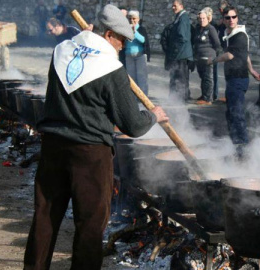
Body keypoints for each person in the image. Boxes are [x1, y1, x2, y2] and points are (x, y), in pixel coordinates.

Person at [23, 4, 168, 269]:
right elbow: (132, 125)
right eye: (122, 39)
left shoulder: (61, 50)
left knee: (45, 217)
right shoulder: (112, 69)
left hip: (53, 146)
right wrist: (154, 116)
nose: (123, 46)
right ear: (109, 34)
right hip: (90, 154)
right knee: (90, 224)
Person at [211, 6, 260, 154]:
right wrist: (251, 69)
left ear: (237, 18)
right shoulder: (229, 34)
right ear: (224, 19)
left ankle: (242, 146)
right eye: (228, 18)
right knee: (231, 112)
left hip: (238, 79)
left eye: (234, 17)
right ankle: (235, 143)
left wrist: (212, 61)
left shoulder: (239, 35)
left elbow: (230, 55)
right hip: (233, 78)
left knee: (236, 113)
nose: (231, 20)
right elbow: (245, 54)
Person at [165, 0, 193, 102]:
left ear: (181, 6)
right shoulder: (180, 17)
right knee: (177, 78)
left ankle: (181, 100)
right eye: (172, 6)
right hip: (180, 54)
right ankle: (176, 98)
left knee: (180, 79)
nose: (173, 8)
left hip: (181, 55)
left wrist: (174, 51)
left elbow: (182, 37)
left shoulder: (183, 17)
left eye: (175, 6)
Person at [193, 7, 221, 105]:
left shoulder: (211, 29)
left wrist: (214, 57)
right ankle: (204, 95)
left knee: (208, 78)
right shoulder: (197, 28)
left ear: (208, 18)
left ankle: (208, 99)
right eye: (200, 18)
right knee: (203, 77)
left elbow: (217, 44)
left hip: (208, 58)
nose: (201, 20)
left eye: (203, 18)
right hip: (199, 58)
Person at [125, 10, 151, 96]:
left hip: (140, 56)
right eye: (130, 18)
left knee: (142, 78)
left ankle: (143, 97)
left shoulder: (141, 29)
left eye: (134, 18)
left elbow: (143, 40)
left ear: (138, 19)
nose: (132, 20)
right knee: (132, 79)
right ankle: (133, 97)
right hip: (129, 56)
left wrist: (134, 32)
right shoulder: (125, 29)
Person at [212, 0, 231, 102]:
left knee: (228, 72)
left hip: (226, 47)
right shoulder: (223, 19)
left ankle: (228, 96)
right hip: (221, 47)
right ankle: (215, 94)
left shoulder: (228, 18)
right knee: (217, 71)